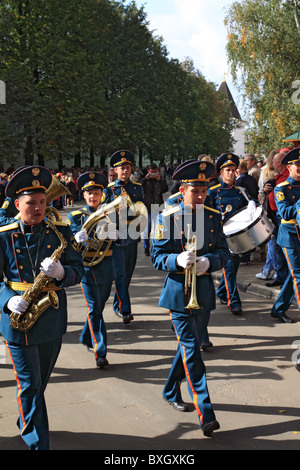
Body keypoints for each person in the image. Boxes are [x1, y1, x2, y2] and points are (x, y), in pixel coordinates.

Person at [0, 166, 84, 450]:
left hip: (51, 316)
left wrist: (62, 273)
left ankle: (26, 419)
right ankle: (38, 443)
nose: (37, 208)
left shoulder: (60, 231)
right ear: (16, 204)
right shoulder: (4, 234)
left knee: (41, 380)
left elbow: (78, 270)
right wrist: (6, 299)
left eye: (42, 202)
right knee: (31, 384)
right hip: (18, 317)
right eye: (30, 203)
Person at [151, 159, 229, 437]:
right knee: (192, 351)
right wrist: (176, 259)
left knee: (190, 345)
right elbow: (157, 257)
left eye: (204, 191)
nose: (200, 196)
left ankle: (170, 389)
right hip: (177, 294)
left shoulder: (212, 216)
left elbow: (224, 252)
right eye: (195, 191)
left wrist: (210, 262)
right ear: (182, 190)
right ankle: (205, 411)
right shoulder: (167, 216)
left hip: (203, 292)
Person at [67, 172, 116, 368]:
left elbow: (126, 239)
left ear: (101, 194)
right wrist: (74, 239)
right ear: (84, 195)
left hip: (106, 267)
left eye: (96, 193)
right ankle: (100, 352)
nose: (93, 197)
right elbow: (67, 243)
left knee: (98, 307)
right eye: (89, 194)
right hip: (86, 269)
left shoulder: (111, 214)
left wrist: (120, 235)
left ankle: (86, 337)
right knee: (95, 309)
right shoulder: (75, 216)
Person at [208, 153, 255, 315]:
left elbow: (248, 210)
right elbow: (205, 214)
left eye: (233, 170)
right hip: (221, 236)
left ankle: (222, 292)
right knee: (228, 269)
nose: (230, 173)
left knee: (233, 269)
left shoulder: (240, 191)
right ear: (221, 173)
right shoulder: (212, 192)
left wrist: (252, 207)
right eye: (227, 170)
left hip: (237, 235)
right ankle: (233, 301)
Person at [102, 150, 144, 325]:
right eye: (122, 168)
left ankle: (118, 304)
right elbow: (103, 213)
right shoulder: (109, 189)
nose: (125, 171)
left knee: (127, 275)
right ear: (115, 171)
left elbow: (142, 209)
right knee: (119, 274)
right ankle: (125, 309)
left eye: (127, 168)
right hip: (117, 238)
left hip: (132, 236)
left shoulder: (138, 188)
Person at [270, 147, 300, 325]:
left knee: (294, 275)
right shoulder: (281, 188)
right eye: (297, 165)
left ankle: (279, 309)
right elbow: (285, 213)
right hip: (290, 236)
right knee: (298, 275)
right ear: (289, 168)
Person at [256, 152, 289, 285]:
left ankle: (285, 278)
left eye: (274, 162)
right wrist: (265, 189)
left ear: (279, 162)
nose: (272, 164)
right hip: (275, 216)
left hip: (283, 217)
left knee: (283, 247)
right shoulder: (278, 176)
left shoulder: (287, 176)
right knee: (276, 247)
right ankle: (280, 276)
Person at [141, 163, 168, 256]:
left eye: (154, 172)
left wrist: (160, 180)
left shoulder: (159, 180)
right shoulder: (145, 180)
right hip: (147, 207)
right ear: (148, 171)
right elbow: (139, 187)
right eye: (151, 172)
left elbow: (165, 189)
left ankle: (155, 248)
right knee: (146, 229)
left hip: (158, 206)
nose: (153, 173)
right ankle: (146, 247)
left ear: (157, 171)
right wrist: (145, 179)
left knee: (157, 229)